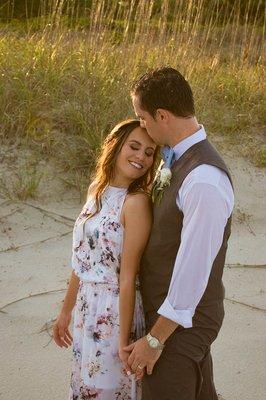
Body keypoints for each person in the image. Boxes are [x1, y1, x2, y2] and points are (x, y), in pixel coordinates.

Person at [123, 67, 234, 399]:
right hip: (172, 315)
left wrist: (155, 340)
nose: (142, 125)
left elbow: (194, 271)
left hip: (183, 323)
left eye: (142, 118)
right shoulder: (175, 159)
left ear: (162, 115)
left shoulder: (204, 180)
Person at [53, 119, 158, 399]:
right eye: (134, 147)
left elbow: (127, 278)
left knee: (109, 389)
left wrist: (123, 341)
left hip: (113, 312)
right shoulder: (95, 190)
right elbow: (82, 261)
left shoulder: (136, 203)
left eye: (149, 152)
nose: (141, 157)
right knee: (85, 386)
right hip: (87, 308)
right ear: (115, 145)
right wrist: (66, 311)